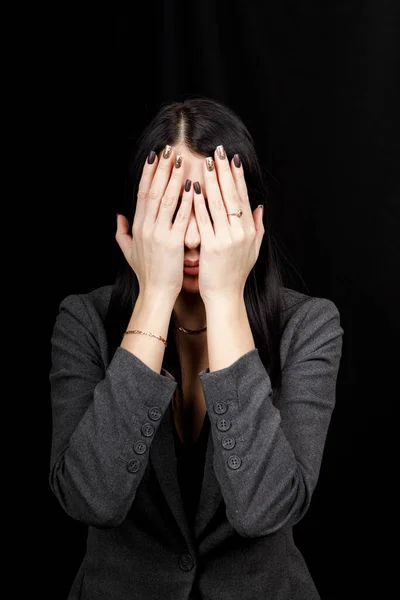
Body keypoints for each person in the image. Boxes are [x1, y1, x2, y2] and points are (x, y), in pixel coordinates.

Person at [49, 96, 344, 600]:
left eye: (209, 209)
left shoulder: (310, 326)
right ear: (137, 215)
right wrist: (156, 294)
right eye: (171, 207)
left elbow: (265, 509)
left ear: (251, 221)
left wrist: (225, 297)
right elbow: (89, 499)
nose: (190, 236)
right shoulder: (84, 321)